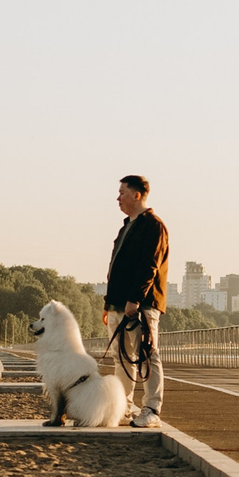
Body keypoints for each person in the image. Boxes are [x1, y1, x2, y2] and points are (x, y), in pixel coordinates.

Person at [102, 174, 168, 428]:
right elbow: (116, 268)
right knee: (122, 358)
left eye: (122, 192)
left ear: (136, 195)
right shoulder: (126, 226)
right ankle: (123, 407)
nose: (118, 197)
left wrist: (135, 300)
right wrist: (109, 303)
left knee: (147, 356)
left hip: (141, 305)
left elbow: (148, 266)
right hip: (118, 303)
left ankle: (151, 409)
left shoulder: (152, 225)